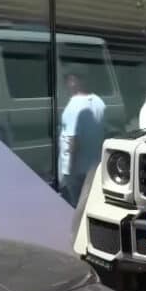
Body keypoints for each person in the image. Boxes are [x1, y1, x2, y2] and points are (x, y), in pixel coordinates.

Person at [59, 73, 106, 206]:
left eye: (67, 81)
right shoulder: (99, 102)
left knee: (76, 206)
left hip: (75, 170)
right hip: (94, 167)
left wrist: (69, 172)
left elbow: (73, 142)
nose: (66, 85)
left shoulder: (73, 107)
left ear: (73, 81)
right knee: (90, 204)